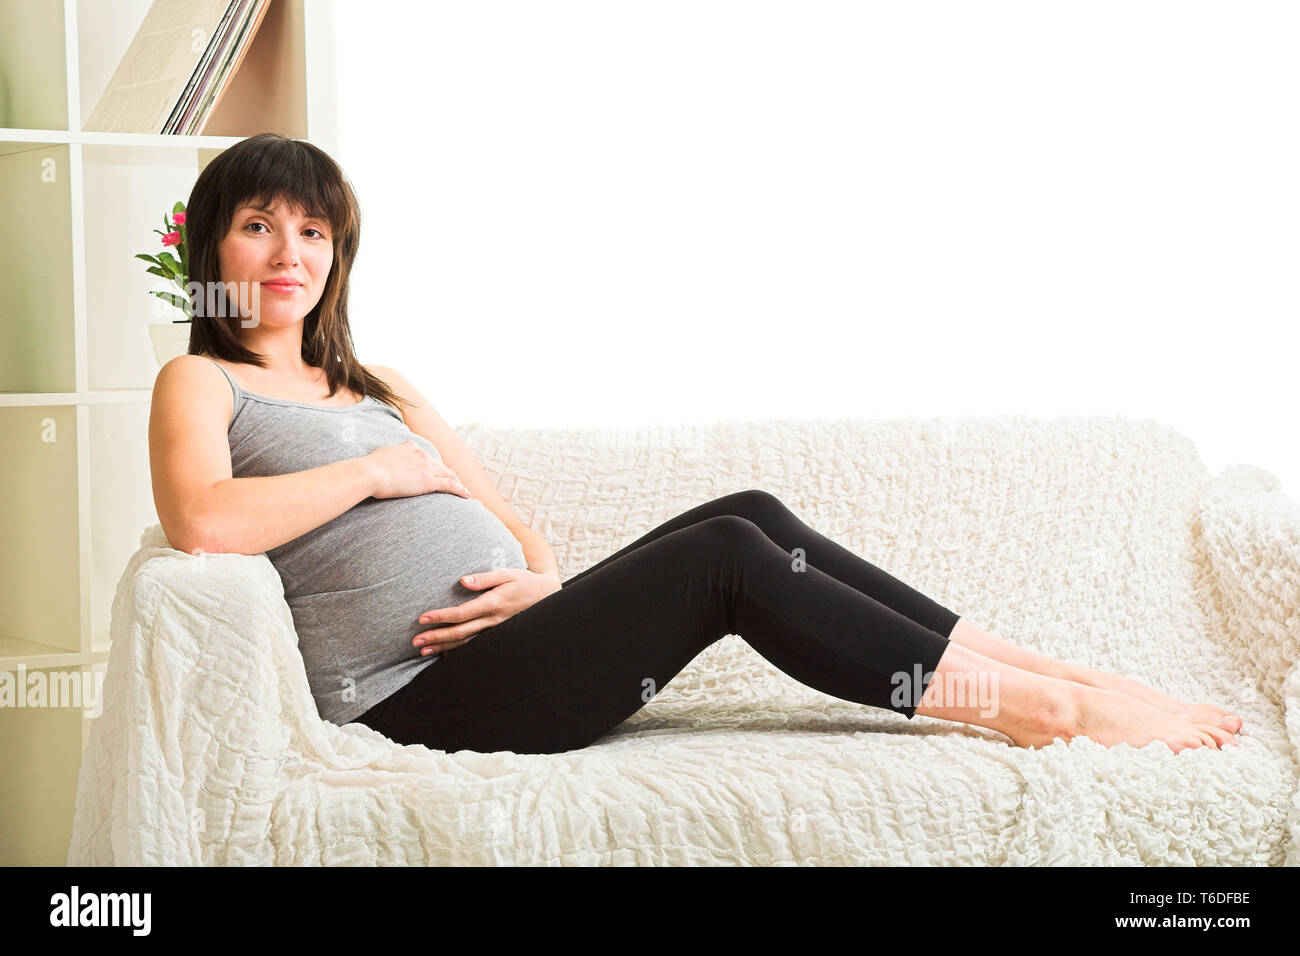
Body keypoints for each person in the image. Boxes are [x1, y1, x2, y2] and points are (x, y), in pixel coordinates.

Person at [149, 133, 1243, 757]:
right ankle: (1038, 712)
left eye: (313, 230)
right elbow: (200, 515)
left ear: (337, 255)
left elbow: (513, 519)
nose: (288, 251)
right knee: (725, 561)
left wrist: (541, 581)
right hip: (415, 698)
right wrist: (376, 471)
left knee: (752, 513)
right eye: (258, 224)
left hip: (515, 646)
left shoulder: (379, 383)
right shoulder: (199, 379)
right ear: (214, 244)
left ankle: (1050, 667)